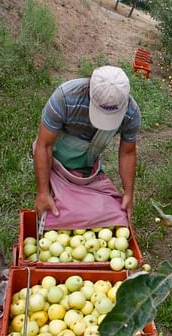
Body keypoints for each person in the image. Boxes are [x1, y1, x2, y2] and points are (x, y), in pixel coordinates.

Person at [33, 65, 141, 230]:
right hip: (54, 162)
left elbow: (128, 153)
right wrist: (42, 192)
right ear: (89, 92)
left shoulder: (130, 113)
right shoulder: (65, 98)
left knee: (115, 217)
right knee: (58, 215)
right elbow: (44, 145)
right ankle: (58, 189)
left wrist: (128, 193)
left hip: (87, 168)